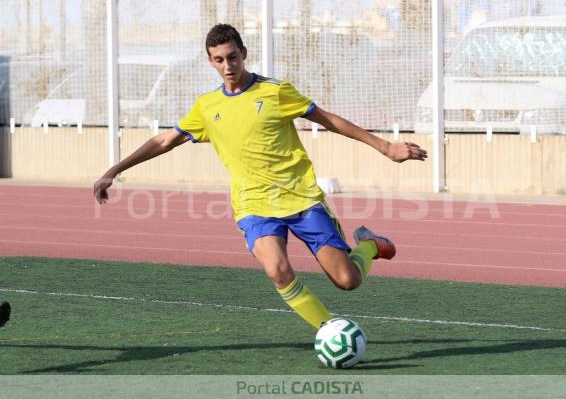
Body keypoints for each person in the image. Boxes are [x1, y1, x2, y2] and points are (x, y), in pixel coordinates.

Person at [94, 24, 427, 329]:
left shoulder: (275, 92)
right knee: (278, 271)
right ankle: (330, 330)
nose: (228, 65)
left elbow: (328, 120)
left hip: (302, 199)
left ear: (244, 54)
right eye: (219, 59)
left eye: (232, 57)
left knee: (347, 280)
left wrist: (385, 146)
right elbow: (165, 140)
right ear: (211, 62)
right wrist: (114, 170)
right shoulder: (207, 107)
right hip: (254, 206)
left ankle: (369, 245)